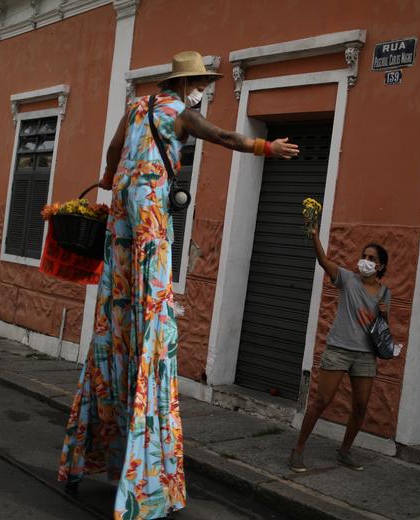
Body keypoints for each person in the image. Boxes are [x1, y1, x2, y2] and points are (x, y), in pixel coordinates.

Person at [57, 51, 299, 520]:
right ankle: (142, 483)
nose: (203, 91)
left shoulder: (137, 107)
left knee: (118, 303)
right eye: (201, 83)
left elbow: (112, 148)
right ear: (187, 82)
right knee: (152, 310)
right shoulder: (182, 114)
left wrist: (109, 178)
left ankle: (132, 327)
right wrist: (265, 149)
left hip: (121, 224)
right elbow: (223, 136)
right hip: (149, 219)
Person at [288, 226, 391, 473]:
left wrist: (385, 316)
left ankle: (345, 451)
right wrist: (314, 235)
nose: (365, 261)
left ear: (380, 267)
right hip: (339, 349)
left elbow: (381, 329)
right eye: (364, 256)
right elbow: (324, 261)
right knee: (322, 400)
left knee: (360, 406)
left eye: (371, 259)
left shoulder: (385, 293)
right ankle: (298, 450)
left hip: (366, 354)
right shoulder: (347, 279)